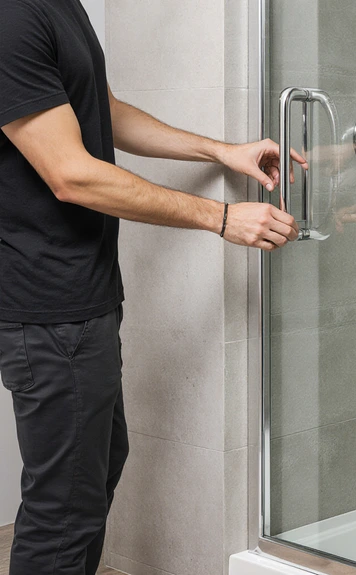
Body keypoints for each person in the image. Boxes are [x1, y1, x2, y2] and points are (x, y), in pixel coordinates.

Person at [0, 1, 306, 573]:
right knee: (62, 510)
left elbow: (103, 111)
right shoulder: (10, 16)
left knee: (92, 479)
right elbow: (71, 174)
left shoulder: (58, 5)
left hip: (82, 296)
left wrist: (219, 150)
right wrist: (219, 217)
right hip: (47, 307)